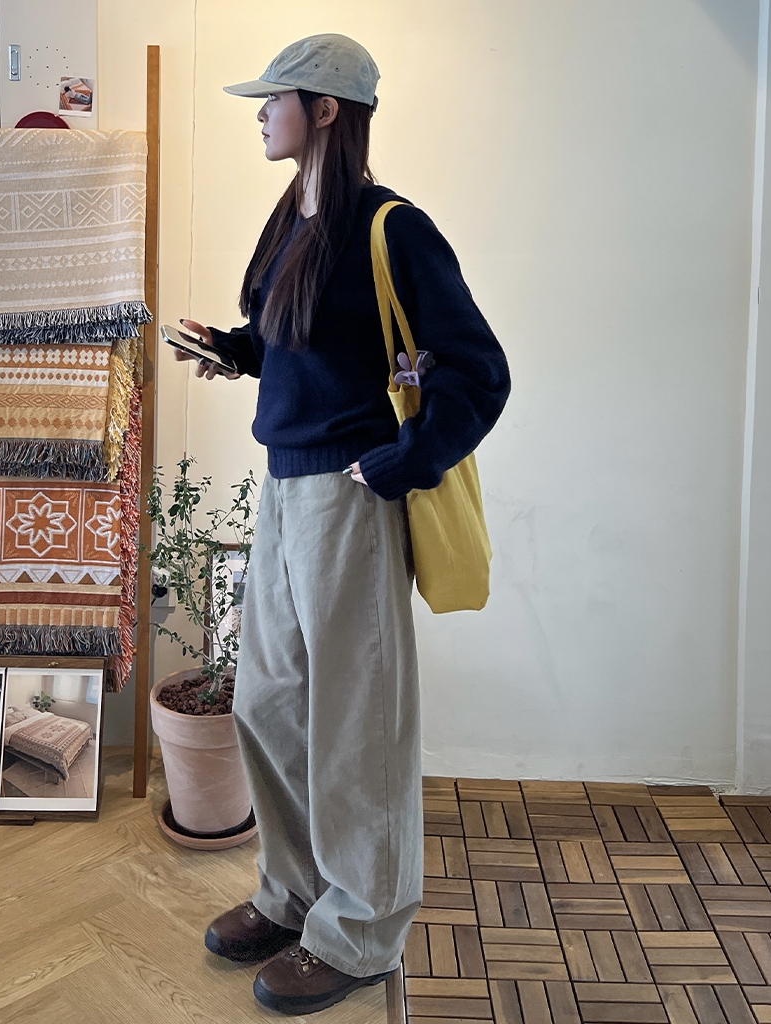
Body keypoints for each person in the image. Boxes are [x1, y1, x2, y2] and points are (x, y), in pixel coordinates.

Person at [182, 34, 510, 1016]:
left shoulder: (391, 226)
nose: (260, 112)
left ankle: (361, 932)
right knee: (268, 705)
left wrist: (407, 459)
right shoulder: (297, 218)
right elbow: (300, 342)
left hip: (350, 498)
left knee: (355, 726)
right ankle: (295, 897)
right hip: (285, 490)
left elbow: (477, 369)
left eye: (275, 97)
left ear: (326, 109)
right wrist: (234, 350)